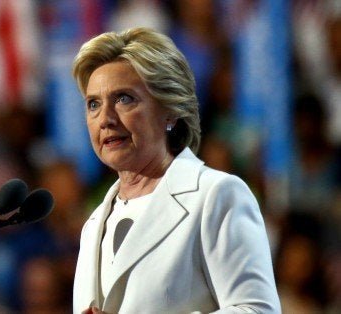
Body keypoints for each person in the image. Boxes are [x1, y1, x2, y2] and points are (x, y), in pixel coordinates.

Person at [71, 28, 280, 313]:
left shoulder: (216, 196)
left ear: (170, 110)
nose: (105, 118)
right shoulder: (94, 224)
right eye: (93, 104)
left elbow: (257, 310)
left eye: (124, 99)